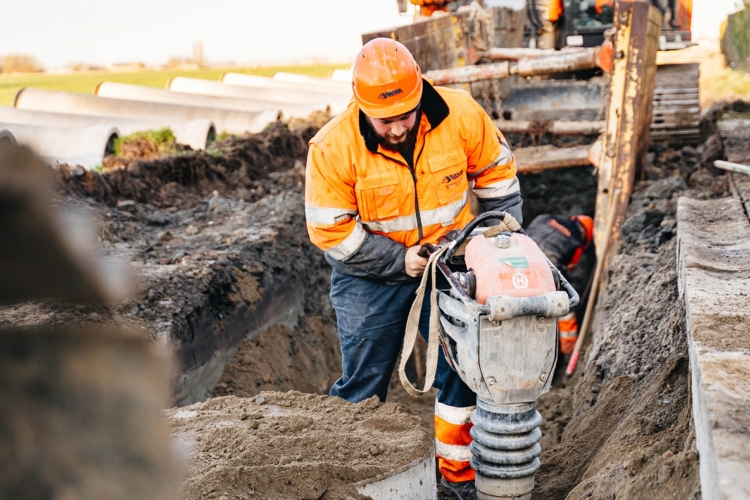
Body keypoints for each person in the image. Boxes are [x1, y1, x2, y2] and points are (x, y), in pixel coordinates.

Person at [305, 38, 523, 500]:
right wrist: (396, 259)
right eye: (387, 121)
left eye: (407, 114)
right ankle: (352, 479)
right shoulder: (332, 147)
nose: (400, 127)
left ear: (420, 85)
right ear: (361, 104)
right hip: (370, 274)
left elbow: (500, 180)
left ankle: (457, 477)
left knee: (461, 366)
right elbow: (331, 232)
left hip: (452, 263)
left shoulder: (461, 114)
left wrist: (492, 243)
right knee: (364, 379)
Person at [525, 214, 594, 357]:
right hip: (548, 265)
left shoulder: (544, 217)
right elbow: (569, 268)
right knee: (565, 302)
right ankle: (568, 351)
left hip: (521, 255)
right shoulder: (576, 244)